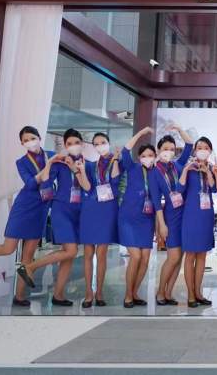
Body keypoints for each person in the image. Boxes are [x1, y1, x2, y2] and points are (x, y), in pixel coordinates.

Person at [0, 126, 58, 307]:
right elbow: (30, 184)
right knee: (8, 248)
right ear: (22, 143)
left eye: (32, 138)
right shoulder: (21, 162)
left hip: (41, 209)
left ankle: (19, 296)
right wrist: (47, 167)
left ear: (39, 137)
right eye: (25, 140)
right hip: (23, 207)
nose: (29, 142)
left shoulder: (52, 155)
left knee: (28, 256)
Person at [17, 128, 90, 307]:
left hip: (79, 212)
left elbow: (89, 188)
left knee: (68, 256)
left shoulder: (88, 164)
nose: (73, 146)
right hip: (61, 210)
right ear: (65, 145)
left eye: (76, 142)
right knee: (71, 251)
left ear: (82, 143)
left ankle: (58, 295)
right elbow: (46, 181)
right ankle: (30, 267)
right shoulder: (60, 163)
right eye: (69, 143)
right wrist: (52, 164)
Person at [151, 124, 194, 306]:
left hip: (186, 214)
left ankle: (169, 293)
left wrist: (178, 129)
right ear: (158, 151)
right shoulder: (154, 172)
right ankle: (160, 291)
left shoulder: (178, 165)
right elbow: (156, 201)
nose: (168, 152)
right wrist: (162, 224)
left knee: (180, 257)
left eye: (171, 149)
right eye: (165, 149)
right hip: (171, 216)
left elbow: (190, 145)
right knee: (173, 256)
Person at [79, 132, 121, 308]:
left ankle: (100, 292)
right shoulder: (91, 165)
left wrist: (116, 159)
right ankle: (88, 292)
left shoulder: (118, 161)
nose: (100, 146)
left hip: (107, 210)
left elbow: (115, 181)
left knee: (102, 253)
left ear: (109, 143)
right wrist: (81, 171)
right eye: (96, 144)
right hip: (90, 209)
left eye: (102, 142)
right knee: (88, 253)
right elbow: (87, 187)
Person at [117, 126, 156, 308]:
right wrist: (141, 133)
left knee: (145, 259)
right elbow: (125, 151)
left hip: (147, 220)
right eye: (144, 155)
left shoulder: (156, 173)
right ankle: (127, 295)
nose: (147, 158)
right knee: (136, 256)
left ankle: (134, 293)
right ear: (139, 158)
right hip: (128, 218)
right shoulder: (132, 167)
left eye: (151, 155)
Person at [179, 136, 217, 308]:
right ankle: (190, 294)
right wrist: (186, 170)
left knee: (202, 255)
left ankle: (199, 292)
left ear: (210, 151)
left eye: (205, 147)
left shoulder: (212, 167)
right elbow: (179, 188)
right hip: (191, 214)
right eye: (199, 147)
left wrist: (208, 172)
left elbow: (214, 188)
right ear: (194, 150)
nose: (202, 150)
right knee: (190, 255)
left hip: (206, 215)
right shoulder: (189, 168)